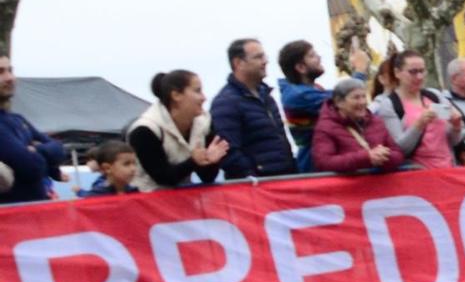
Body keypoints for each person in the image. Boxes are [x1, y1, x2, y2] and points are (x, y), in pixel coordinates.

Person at [128, 69, 231, 191]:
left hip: (182, 201)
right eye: (197, 91)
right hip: (146, 202)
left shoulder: (203, 122)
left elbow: (207, 178)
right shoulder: (145, 130)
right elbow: (163, 178)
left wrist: (210, 161)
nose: (204, 98)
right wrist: (193, 162)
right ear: (176, 95)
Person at [209, 38, 296, 178]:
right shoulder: (226, 102)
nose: (265, 61)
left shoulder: (267, 97)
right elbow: (228, 150)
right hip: (257, 188)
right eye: (258, 57)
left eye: (264, 56)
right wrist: (251, 178)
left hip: (283, 180)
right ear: (238, 63)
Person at [0, 54, 72, 204]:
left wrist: (37, 151)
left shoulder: (17, 119)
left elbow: (59, 149)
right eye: (1, 72)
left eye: (10, 70)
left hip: (35, 213)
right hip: (11, 219)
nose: (10, 78)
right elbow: (32, 168)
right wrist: (44, 157)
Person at [375, 50, 459, 170]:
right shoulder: (389, 105)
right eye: (413, 72)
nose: (419, 77)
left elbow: (453, 141)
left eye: (422, 71)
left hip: (448, 169)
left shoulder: (434, 96)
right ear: (397, 73)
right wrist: (419, 124)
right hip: (417, 174)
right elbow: (399, 149)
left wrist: (457, 126)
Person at [311, 77, 403, 173]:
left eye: (364, 97)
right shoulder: (326, 127)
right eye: (356, 97)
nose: (363, 102)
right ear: (339, 102)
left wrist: (384, 156)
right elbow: (323, 162)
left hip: (378, 185)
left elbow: (398, 153)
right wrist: (365, 158)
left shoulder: (376, 122)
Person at [277, 40, 338, 169]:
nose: (319, 58)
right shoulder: (299, 95)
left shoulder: (314, 89)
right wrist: (359, 73)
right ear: (300, 67)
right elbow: (344, 100)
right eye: (312, 56)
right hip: (314, 163)